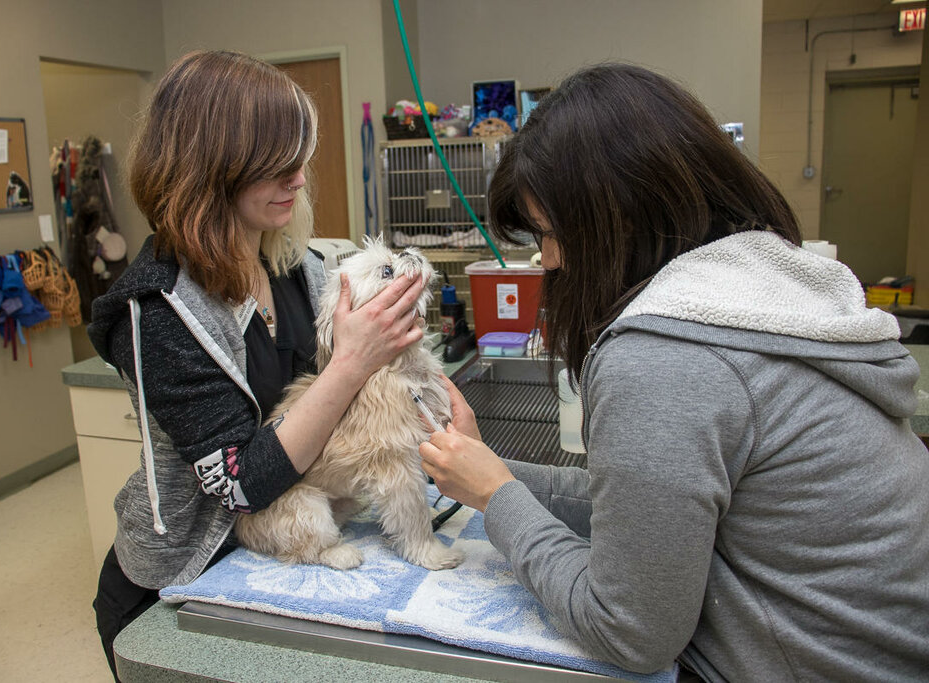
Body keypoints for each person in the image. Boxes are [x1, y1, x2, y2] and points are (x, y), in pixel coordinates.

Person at [419, 63, 929, 682]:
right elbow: (645, 511)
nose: (548, 261)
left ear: (624, 219)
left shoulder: (665, 357)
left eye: (552, 235)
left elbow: (629, 631)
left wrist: (498, 501)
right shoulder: (758, 291)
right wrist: (487, 473)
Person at [86, 51, 426, 680]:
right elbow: (240, 482)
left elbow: (363, 397)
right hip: (189, 577)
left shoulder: (297, 267)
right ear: (208, 170)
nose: (299, 179)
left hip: (296, 544)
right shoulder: (159, 309)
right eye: (277, 165)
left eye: (301, 157)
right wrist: (352, 363)